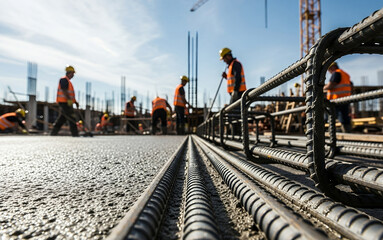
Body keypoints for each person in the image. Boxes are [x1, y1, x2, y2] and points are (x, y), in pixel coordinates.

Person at [51, 65, 79, 137]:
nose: (73, 75)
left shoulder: (68, 81)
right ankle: (75, 134)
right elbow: (64, 90)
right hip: (65, 102)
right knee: (71, 117)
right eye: (72, 73)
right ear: (69, 73)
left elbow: (70, 93)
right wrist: (69, 100)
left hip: (66, 102)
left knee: (62, 118)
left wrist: (75, 102)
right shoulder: (64, 80)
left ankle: (53, 133)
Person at [324, 62, 352, 133]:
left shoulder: (336, 73)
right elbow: (351, 85)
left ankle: (330, 135)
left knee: (330, 117)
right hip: (345, 99)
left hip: (335, 100)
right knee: (344, 118)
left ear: (332, 67)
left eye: (329, 69)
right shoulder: (345, 74)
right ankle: (347, 134)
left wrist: (322, 88)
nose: (329, 71)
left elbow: (331, 85)